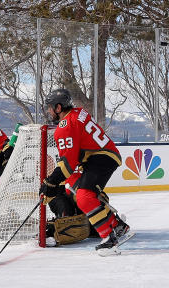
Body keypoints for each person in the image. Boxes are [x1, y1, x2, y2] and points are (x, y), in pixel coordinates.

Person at [38, 87, 133, 255]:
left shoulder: (65, 126)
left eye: (51, 107)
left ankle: (109, 239)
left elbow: (67, 164)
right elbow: (72, 164)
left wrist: (50, 182)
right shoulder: (78, 113)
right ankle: (117, 225)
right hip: (101, 155)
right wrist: (56, 181)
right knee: (73, 182)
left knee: (84, 197)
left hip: (102, 157)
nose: (49, 111)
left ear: (59, 108)